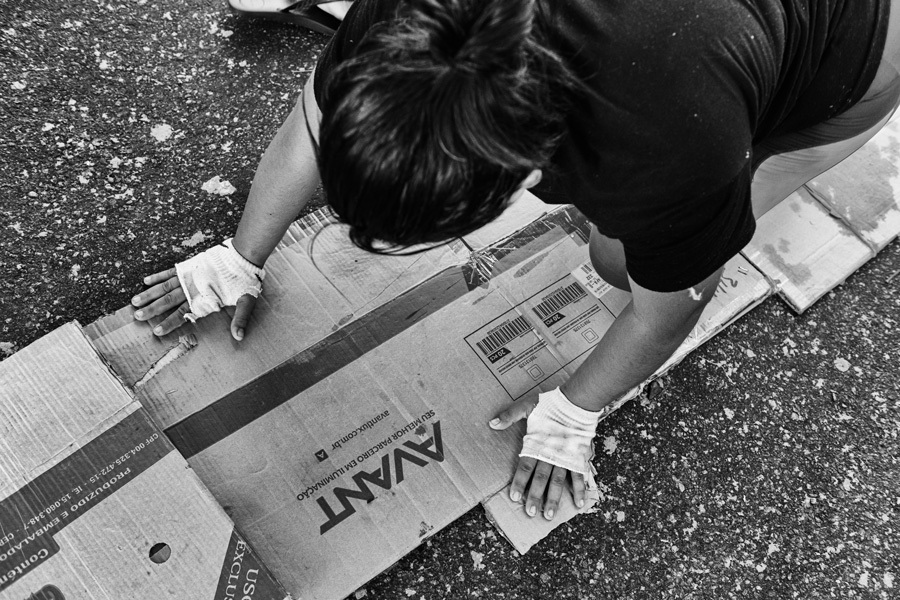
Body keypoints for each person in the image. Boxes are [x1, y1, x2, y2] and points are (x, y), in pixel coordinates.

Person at [131, 0, 900, 522]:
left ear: (528, 182)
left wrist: (571, 414)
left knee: (615, 264)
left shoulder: (668, 146)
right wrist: (238, 257)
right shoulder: (411, 23)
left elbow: (673, 303)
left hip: (854, 48)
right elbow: (314, 114)